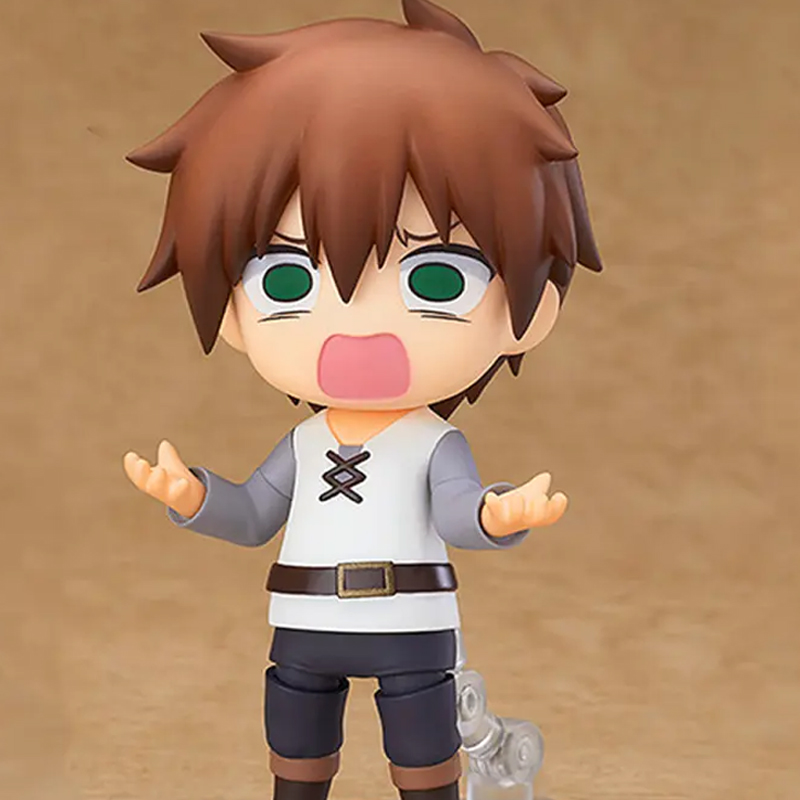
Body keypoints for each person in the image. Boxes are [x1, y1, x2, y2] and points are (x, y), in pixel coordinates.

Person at [122, 1, 603, 799]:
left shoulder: (432, 444)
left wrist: (497, 515)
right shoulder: (304, 445)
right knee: (296, 755)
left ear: (531, 312)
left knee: (422, 758)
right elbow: (254, 515)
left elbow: (455, 511)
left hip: (411, 628)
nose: (356, 332)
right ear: (235, 314)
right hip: (303, 627)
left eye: (437, 278)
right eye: (285, 279)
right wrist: (195, 497)